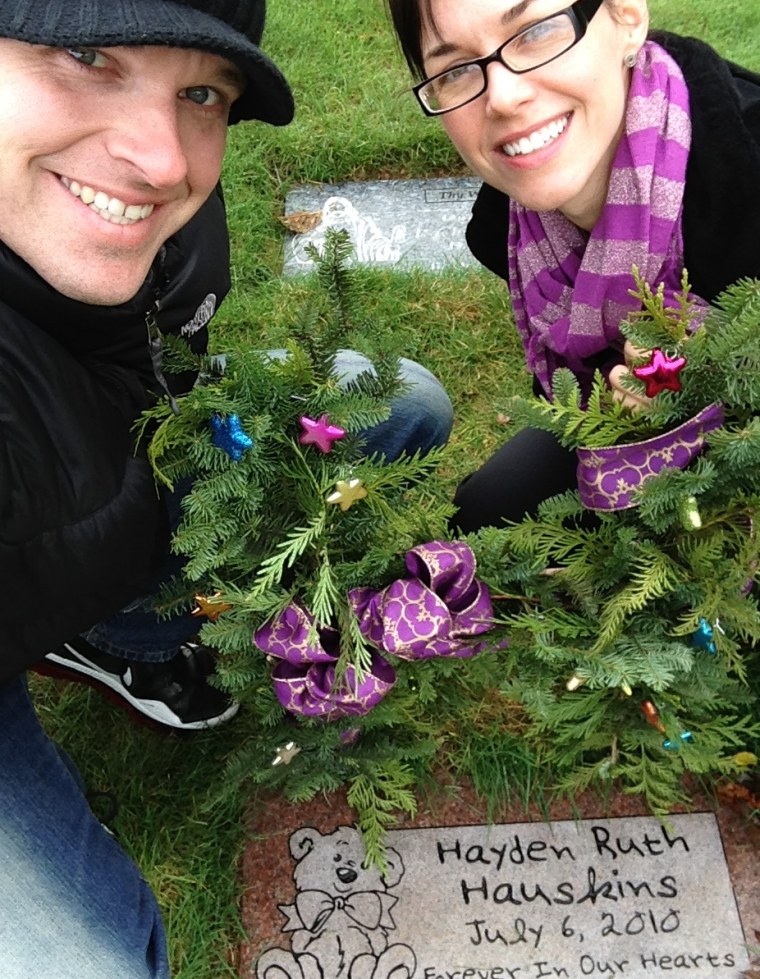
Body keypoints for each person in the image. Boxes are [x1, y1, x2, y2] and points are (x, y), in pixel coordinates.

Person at [0, 2, 452, 975]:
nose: (163, 159)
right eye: (83, 52)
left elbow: (175, 363)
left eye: (200, 91)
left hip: (127, 473)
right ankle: (110, 633)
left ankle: (114, 628)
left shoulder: (156, 201)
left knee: (401, 400)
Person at [386, 0, 760, 532]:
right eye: (456, 70)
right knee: (486, 519)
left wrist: (720, 370)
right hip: (605, 419)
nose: (505, 97)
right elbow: (571, 393)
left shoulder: (745, 169)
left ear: (627, 17)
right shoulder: (508, 228)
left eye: (536, 32)